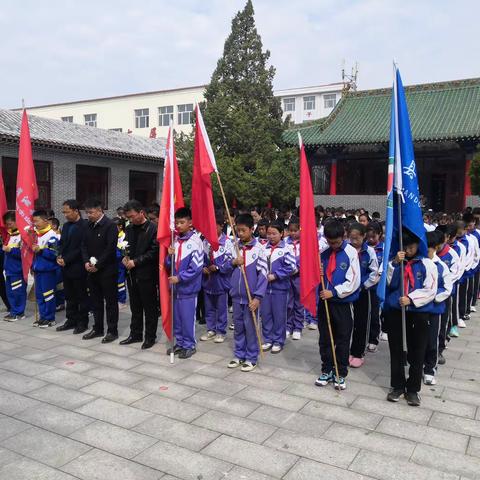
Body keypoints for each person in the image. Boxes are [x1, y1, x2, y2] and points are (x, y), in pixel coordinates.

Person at [384, 229, 437, 406]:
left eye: (411, 246)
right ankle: (397, 385)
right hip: (396, 310)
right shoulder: (396, 262)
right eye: (405, 246)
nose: (408, 250)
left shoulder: (427, 264)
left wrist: (412, 299)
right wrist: (394, 264)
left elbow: (431, 289)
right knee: (396, 348)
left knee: (417, 349)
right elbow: (388, 284)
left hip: (419, 312)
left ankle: (413, 389)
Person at [316, 219, 360, 390]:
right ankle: (326, 368)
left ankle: (340, 372)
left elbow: (354, 281)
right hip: (325, 302)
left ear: (344, 236)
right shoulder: (324, 253)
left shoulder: (351, 253)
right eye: (329, 242)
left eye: (336, 242)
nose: (333, 245)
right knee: (326, 338)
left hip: (342, 303)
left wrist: (334, 292)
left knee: (342, 338)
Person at [227, 213, 267, 372]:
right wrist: (234, 262)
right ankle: (239, 354)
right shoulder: (234, 246)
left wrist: (258, 297)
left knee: (251, 328)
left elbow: (264, 275)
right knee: (238, 327)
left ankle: (251, 357)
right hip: (237, 296)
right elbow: (225, 266)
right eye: (238, 230)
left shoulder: (259, 250)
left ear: (252, 229)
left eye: (243, 230)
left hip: (251, 298)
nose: (240, 233)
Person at [119, 200, 159, 349]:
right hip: (132, 274)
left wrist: (136, 261)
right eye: (128, 217)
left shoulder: (153, 229)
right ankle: (135, 334)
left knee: (149, 308)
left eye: (132, 216)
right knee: (135, 307)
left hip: (147, 273)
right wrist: (125, 257)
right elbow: (126, 246)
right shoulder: (129, 228)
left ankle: (150, 337)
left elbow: (154, 252)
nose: (130, 219)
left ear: (141, 213)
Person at [166, 207, 203, 359]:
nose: (179, 226)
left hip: (188, 288)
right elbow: (169, 264)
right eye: (177, 223)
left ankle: (189, 345)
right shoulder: (175, 240)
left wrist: (180, 278)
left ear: (190, 223)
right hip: (175, 289)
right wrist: (169, 257)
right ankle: (180, 343)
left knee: (187, 318)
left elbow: (196, 268)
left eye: (182, 222)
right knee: (177, 319)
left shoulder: (196, 242)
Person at [81, 199, 119, 343]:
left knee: (110, 302)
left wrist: (98, 264)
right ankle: (97, 328)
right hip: (91, 270)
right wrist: (86, 262)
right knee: (95, 301)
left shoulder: (110, 226)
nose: (88, 215)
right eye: (87, 212)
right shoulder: (88, 225)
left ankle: (112, 330)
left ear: (99, 211)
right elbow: (83, 245)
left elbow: (110, 249)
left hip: (107, 270)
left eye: (91, 212)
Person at [261, 221, 296, 353]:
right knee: (266, 314)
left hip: (280, 288)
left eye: (274, 233)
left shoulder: (287, 248)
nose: (271, 236)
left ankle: (278, 340)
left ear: (281, 234)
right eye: (269, 233)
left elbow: (292, 267)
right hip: (264, 288)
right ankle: (268, 339)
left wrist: (276, 275)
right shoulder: (263, 248)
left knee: (279, 315)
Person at [348, 222, 379, 367]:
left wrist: (362, 285)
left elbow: (374, 273)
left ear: (364, 236)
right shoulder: (346, 250)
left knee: (361, 322)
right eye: (351, 238)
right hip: (346, 291)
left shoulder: (370, 252)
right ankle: (345, 349)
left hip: (363, 291)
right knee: (347, 321)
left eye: (357, 238)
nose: (354, 242)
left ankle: (358, 352)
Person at [423, 230, 453, 385]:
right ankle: (418, 363)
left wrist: (430, 297)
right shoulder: (418, 263)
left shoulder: (441, 266)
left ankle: (429, 369)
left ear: (435, 248)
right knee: (418, 339)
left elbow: (447, 289)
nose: (425, 252)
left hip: (434, 309)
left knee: (432, 340)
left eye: (427, 249)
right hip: (418, 310)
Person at [56, 200, 89, 334]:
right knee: (69, 295)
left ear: (76, 211)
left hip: (78, 266)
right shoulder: (66, 226)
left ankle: (82, 322)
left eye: (67, 212)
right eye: (63, 212)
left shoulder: (85, 225)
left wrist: (67, 259)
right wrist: (59, 255)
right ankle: (71, 320)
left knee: (81, 296)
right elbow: (62, 244)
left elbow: (82, 247)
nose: (65, 215)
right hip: (65, 266)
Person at [200, 213, 234, 344]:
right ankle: (211, 329)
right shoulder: (205, 241)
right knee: (209, 306)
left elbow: (231, 262)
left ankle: (221, 331)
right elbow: (200, 258)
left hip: (221, 280)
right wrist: (203, 267)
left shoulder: (227, 242)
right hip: (208, 280)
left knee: (221, 307)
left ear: (221, 226)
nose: (212, 229)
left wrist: (219, 268)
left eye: (215, 226)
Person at [435, 226, 462, 364]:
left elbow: (455, 274)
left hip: (445, 295)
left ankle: (439, 349)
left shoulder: (452, 254)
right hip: (428, 296)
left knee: (443, 324)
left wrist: (438, 286)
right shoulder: (429, 253)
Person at [32, 210, 59, 328]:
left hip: (48, 271)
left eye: (37, 221)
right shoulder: (37, 235)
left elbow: (54, 253)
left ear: (45, 220)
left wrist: (41, 250)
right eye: (34, 221)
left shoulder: (52, 235)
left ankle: (50, 318)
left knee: (48, 295)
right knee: (39, 296)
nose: (35, 224)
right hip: (38, 270)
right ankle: (43, 317)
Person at [2, 212, 25, 321]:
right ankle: (13, 311)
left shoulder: (22, 235)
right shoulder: (10, 235)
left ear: (17, 222)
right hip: (9, 270)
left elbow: (23, 254)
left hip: (17, 270)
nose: (8, 226)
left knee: (18, 292)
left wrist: (10, 250)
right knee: (10, 292)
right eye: (6, 224)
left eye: (10, 224)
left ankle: (19, 313)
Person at [366, 221, 385, 346]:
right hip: (363, 285)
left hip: (377, 286)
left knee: (374, 313)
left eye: (374, 236)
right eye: (369, 236)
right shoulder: (364, 248)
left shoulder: (384, 248)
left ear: (380, 234)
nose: (371, 239)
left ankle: (373, 338)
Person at [286, 217, 304, 338]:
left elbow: (306, 258)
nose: (292, 233)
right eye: (290, 230)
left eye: (295, 230)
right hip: (287, 275)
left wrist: (297, 266)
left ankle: (298, 327)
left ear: (300, 230)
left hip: (299, 276)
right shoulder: (285, 242)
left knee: (299, 302)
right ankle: (288, 326)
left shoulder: (304, 242)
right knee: (288, 302)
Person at [113, 217, 128, 310]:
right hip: (113, 263)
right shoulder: (114, 235)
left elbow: (124, 251)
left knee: (120, 283)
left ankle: (122, 301)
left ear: (120, 226)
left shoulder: (124, 236)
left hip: (121, 263)